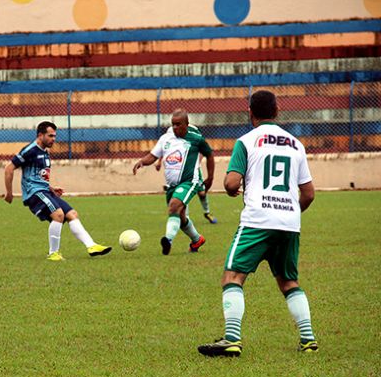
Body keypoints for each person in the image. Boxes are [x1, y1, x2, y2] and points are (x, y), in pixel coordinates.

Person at [197, 90, 318, 357]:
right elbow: (308, 193)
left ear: (250, 112)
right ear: (277, 111)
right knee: (289, 281)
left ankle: (231, 339)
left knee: (233, 277)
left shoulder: (247, 141)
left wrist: (232, 190)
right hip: (289, 222)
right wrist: (289, 213)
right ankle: (308, 339)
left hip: (257, 221)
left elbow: (231, 183)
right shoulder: (296, 144)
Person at [4, 121, 111, 261]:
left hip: (44, 191)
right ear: (40, 135)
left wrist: (51, 188)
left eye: (54, 136)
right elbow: (9, 168)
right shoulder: (30, 150)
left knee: (72, 214)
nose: (53, 139)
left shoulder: (46, 152)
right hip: (34, 193)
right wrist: (9, 192)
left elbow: (37, 175)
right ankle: (53, 253)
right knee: (58, 215)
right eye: (50, 136)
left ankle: (91, 246)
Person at [134, 109, 214, 255]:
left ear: (186, 124)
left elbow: (209, 154)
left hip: (189, 181)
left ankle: (168, 240)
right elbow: (153, 156)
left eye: (178, 124)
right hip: (172, 185)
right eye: (173, 124)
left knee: (173, 207)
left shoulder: (196, 138)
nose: (175, 127)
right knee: (181, 217)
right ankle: (197, 240)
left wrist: (210, 177)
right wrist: (142, 162)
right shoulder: (166, 138)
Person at [156, 124, 217, 224]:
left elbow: (202, 148)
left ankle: (207, 212)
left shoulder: (193, 131)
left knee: (202, 193)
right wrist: (159, 161)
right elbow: (166, 147)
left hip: (193, 169)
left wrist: (196, 163)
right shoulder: (170, 131)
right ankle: (186, 219)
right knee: (182, 190)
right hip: (179, 169)